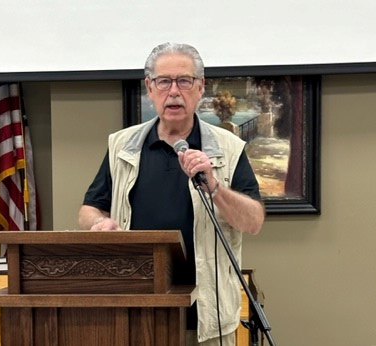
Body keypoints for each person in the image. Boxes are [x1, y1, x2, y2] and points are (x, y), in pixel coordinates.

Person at [79, 42, 264, 346]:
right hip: (135, 314)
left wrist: (215, 186)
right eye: (164, 81)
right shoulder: (122, 146)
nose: (174, 91)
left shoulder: (228, 148)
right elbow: (89, 209)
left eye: (184, 81)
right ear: (149, 89)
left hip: (207, 318)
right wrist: (99, 224)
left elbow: (253, 221)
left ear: (200, 87)